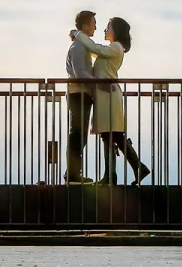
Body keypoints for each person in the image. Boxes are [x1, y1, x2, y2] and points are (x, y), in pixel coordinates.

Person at [71, 17, 149, 185]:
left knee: (112, 135)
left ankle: (116, 174)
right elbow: (94, 49)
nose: (105, 30)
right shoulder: (112, 48)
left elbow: (94, 48)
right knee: (111, 135)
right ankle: (123, 172)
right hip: (105, 95)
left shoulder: (116, 47)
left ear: (116, 31)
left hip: (109, 96)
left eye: (108, 27)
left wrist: (78, 34)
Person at [64, 10, 97, 183]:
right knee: (77, 134)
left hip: (81, 93)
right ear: (85, 26)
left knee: (79, 134)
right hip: (78, 94)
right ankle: (72, 174)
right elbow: (79, 72)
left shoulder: (82, 46)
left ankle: (73, 172)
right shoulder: (78, 47)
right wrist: (97, 83)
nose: (95, 27)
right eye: (93, 23)